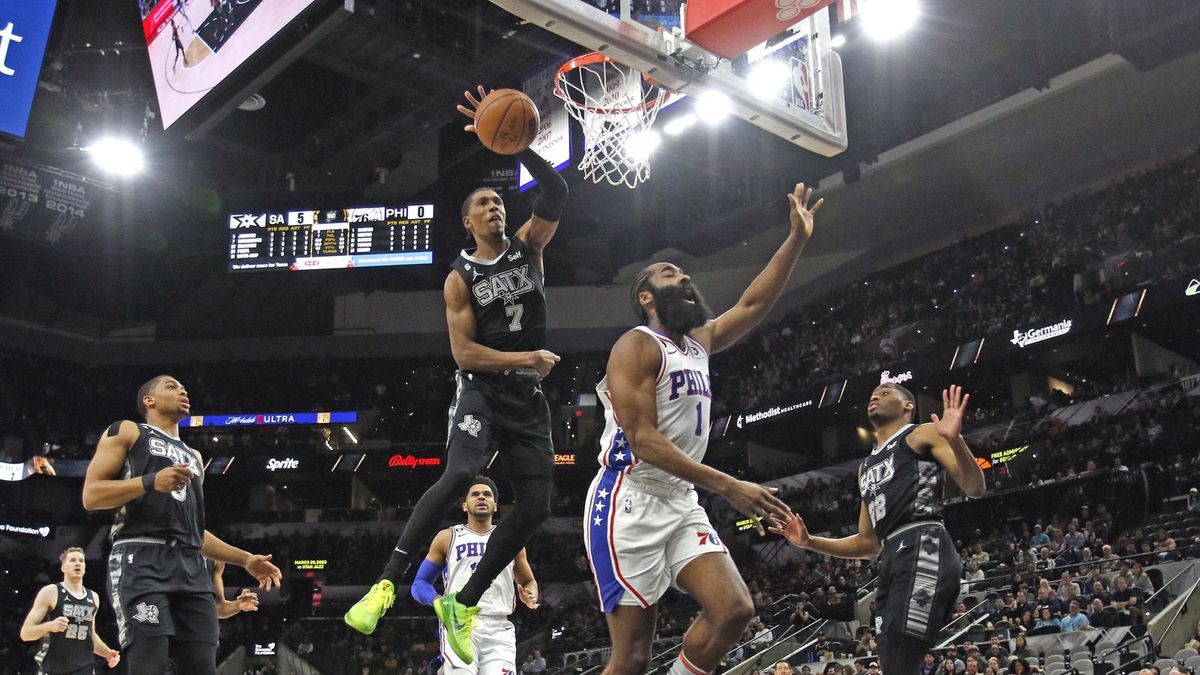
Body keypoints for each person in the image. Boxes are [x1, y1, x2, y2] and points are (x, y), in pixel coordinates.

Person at [345, 88, 569, 666]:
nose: (496, 208)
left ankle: (464, 602)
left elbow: (557, 191)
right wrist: (523, 359)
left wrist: (519, 146)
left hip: (527, 398)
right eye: (484, 204)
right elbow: (465, 354)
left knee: (538, 506)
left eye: (499, 201)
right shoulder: (458, 277)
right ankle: (387, 584)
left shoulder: (529, 247)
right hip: (484, 390)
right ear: (466, 221)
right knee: (461, 472)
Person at [586, 183, 822, 675]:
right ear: (647, 296)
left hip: (679, 499)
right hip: (628, 500)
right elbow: (643, 440)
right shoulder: (636, 345)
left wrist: (796, 238)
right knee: (630, 658)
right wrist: (728, 485)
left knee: (734, 609)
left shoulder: (697, 342)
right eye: (672, 273)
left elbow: (753, 305)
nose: (686, 276)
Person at [770, 383, 985, 674]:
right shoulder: (865, 467)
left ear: (908, 406)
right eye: (872, 393)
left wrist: (956, 440)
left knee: (899, 652)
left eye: (885, 392)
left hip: (923, 541)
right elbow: (868, 544)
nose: (875, 395)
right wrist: (809, 542)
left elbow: (974, 488)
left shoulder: (921, 433)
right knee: (891, 658)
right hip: (890, 556)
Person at [82, 375, 281, 675]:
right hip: (141, 559)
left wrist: (245, 559)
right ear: (148, 400)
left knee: (201, 667)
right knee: (149, 665)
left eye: (183, 387)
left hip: (190, 565)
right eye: (171, 386)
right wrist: (150, 482)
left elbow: (194, 531)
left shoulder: (195, 457)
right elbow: (91, 496)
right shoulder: (128, 431)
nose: (183, 390)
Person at [409, 477, 539, 675]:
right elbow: (419, 584)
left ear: (495, 505)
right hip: (459, 624)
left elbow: (529, 581)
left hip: (498, 627)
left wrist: (530, 593)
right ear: (464, 505)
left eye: (487, 495)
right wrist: (438, 602)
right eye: (475, 494)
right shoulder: (448, 537)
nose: (481, 497)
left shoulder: (511, 540)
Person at [20, 547, 121, 674]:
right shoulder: (50, 592)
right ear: (63, 568)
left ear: (84, 567)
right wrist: (50, 626)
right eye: (72, 560)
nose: (78, 563)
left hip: (84, 668)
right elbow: (25, 633)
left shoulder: (93, 597)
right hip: (53, 667)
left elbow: (90, 635)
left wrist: (107, 653)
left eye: (81, 560)